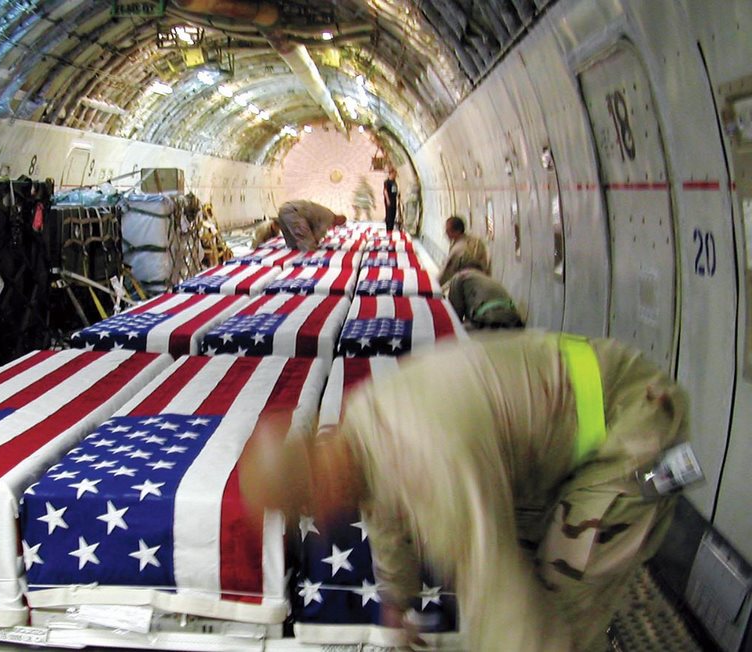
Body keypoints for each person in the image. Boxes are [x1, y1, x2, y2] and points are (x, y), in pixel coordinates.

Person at [240, 331, 692, 652]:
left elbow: (497, 593)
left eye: (311, 507)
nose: (323, 521)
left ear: (322, 480)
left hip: (628, 426)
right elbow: (383, 516)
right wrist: (398, 600)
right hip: (565, 446)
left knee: (557, 616)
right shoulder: (359, 431)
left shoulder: (427, 461)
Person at [448, 266, 524, 329]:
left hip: (489, 321)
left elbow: (454, 319)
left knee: (452, 337)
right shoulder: (487, 279)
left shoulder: (459, 277)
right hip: (515, 322)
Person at [438, 215, 490, 291]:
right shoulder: (476, 241)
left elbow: (445, 274)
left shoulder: (458, 249)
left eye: (448, 230)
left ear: (457, 231)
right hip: (482, 282)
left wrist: (433, 285)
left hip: (467, 286)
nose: (446, 233)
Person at [277, 200, 347, 251]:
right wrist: (315, 243)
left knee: (292, 243)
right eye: (339, 224)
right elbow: (319, 232)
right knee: (308, 243)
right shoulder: (330, 217)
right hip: (293, 212)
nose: (336, 226)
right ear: (339, 220)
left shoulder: (327, 212)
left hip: (284, 209)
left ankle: (293, 254)